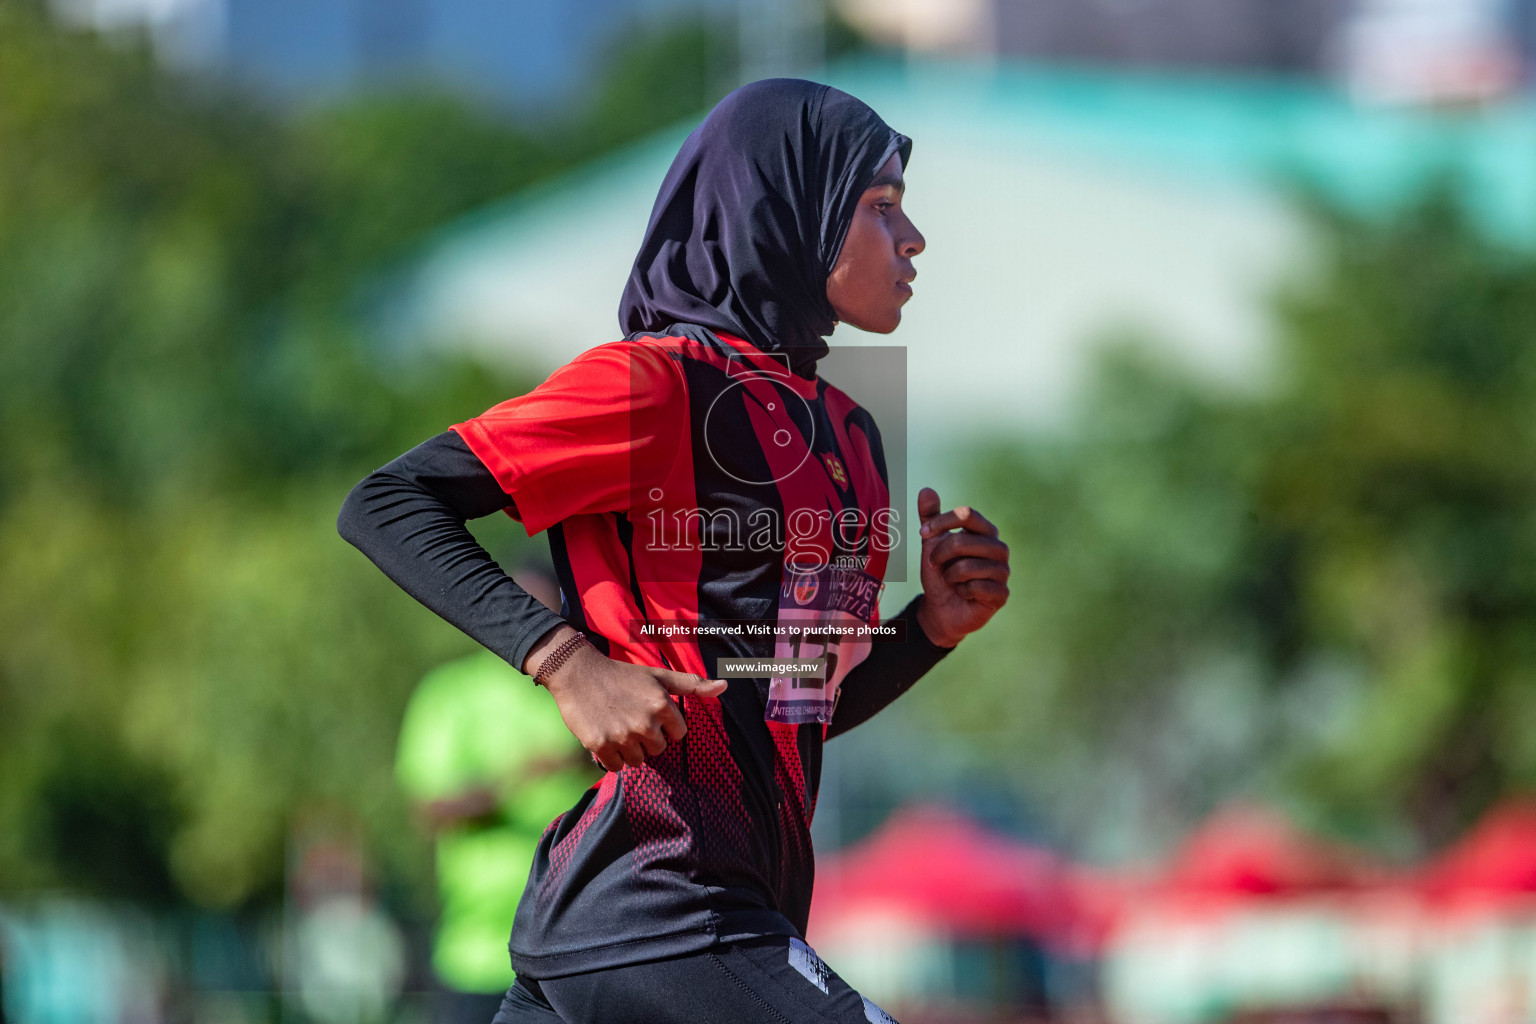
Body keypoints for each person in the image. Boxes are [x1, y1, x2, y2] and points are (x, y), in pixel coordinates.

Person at [338, 78, 1010, 1024]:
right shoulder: (652, 385)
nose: (914, 239)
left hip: (706, 910)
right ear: (792, 209)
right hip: (662, 899)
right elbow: (387, 502)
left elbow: (785, 704)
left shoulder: (853, 435)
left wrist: (928, 630)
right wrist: (567, 664)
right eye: (880, 205)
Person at [393, 570, 594, 1016]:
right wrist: (520, 778)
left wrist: (578, 761)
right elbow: (432, 808)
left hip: (577, 946)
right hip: (478, 952)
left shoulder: (582, 687)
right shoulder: (452, 692)